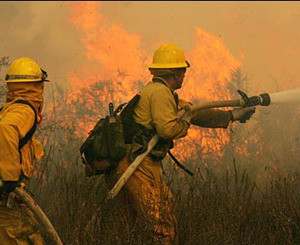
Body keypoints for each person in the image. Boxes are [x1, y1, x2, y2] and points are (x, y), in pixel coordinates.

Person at [105, 43, 255, 244]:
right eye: (182, 71)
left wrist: (232, 115)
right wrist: (184, 123)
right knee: (162, 226)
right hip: (138, 165)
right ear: (174, 73)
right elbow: (168, 129)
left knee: (126, 229)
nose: (184, 75)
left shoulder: (160, 93)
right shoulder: (160, 93)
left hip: (132, 164)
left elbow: (195, 112)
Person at [0, 57, 49, 245]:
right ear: (37, 86)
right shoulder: (24, 110)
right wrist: (10, 179)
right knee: (22, 237)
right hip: (7, 199)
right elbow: (6, 129)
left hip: (8, 198)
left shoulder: (10, 108)